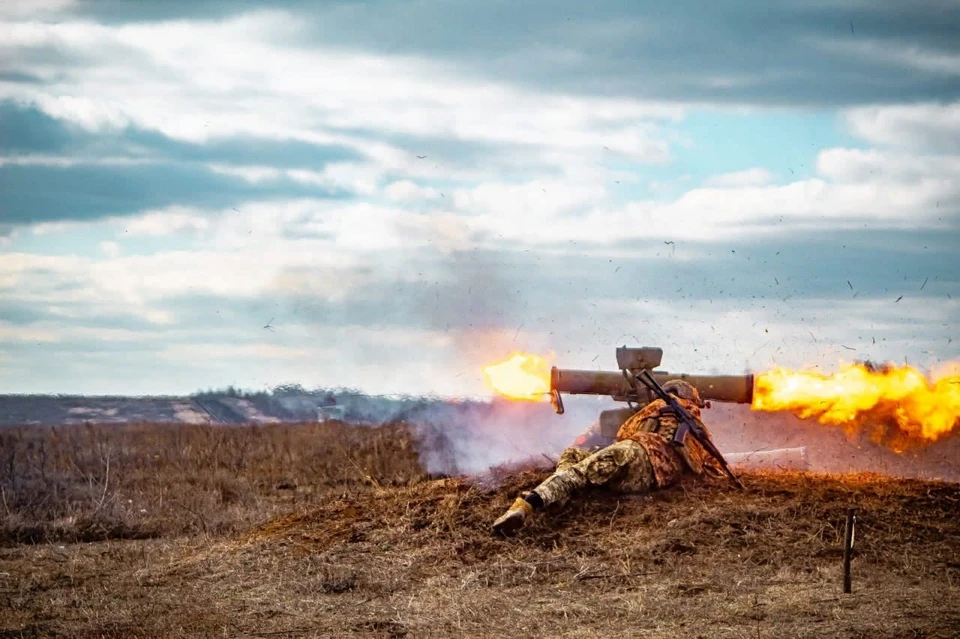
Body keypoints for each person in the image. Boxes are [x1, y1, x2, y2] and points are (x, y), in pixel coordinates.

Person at [492, 379, 724, 535]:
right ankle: (560, 494)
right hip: (649, 476)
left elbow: (626, 432)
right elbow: (707, 463)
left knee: (577, 467)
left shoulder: (655, 407)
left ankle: (526, 505)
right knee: (579, 462)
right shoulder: (695, 423)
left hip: (634, 452)